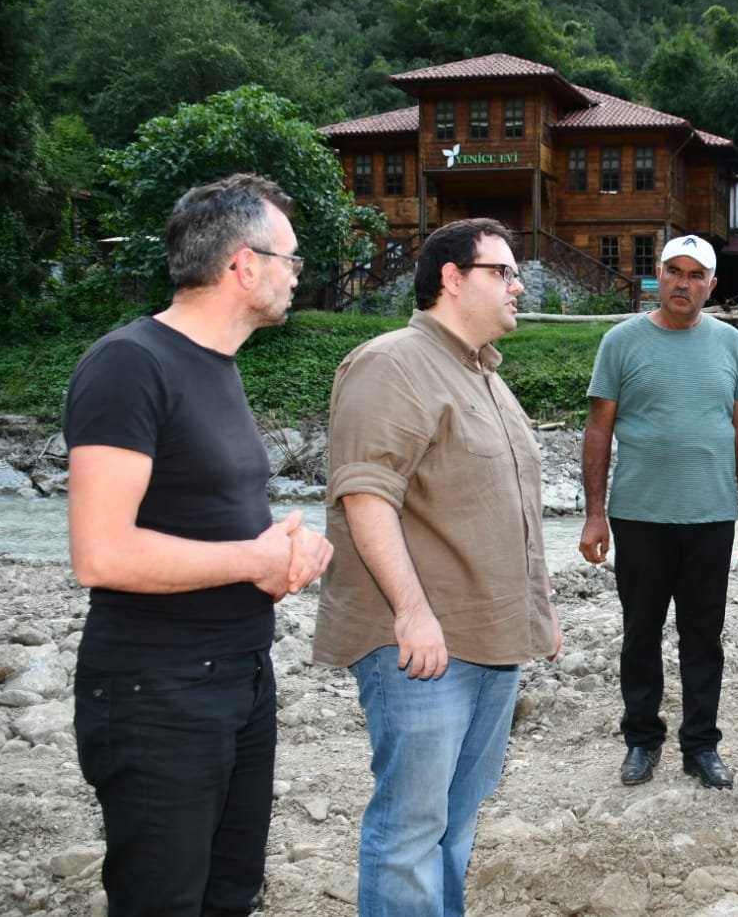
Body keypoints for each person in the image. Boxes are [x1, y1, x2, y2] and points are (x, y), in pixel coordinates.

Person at [64, 173, 333, 916]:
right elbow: (100, 553)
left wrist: (290, 551)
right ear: (244, 265)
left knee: (229, 895)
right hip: (157, 689)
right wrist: (254, 560)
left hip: (238, 674)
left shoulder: (216, 366)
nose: (297, 273)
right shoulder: (129, 364)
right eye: (290, 257)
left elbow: (204, 515)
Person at [313, 218, 561, 917]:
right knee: (411, 830)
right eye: (502, 272)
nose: (518, 286)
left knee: (455, 821)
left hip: (493, 638)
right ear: (451, 278)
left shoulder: (486, 376)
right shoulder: (391, 364)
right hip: (422, 647)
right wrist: (411, 612)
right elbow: (366, 495)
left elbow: (510, 505)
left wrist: (541, 602)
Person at [579, 233, 738, 790]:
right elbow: (598, 429)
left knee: (703, 636)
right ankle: (642, 739)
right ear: (658, 276)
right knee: (640, 633)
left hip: (710, 515)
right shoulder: (621, 341)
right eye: (674, 271)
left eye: (695, 274)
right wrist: (594, 513)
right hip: (639, 515)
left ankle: (701, 745)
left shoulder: (731, 344)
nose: (683, 283)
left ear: (712, 284)